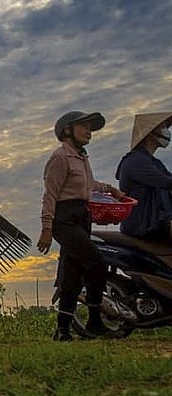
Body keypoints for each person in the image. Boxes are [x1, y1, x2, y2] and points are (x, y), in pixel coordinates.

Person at [37, 111, 126, 341]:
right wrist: (47, 228)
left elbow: (89, 185)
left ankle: (63, 330)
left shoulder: (82, 158)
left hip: (81, 217)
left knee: (72, 273)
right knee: (97, 263)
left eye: (90, 127)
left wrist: (111, 189)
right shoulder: (60, 157)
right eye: (83, 126)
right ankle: (95, 321)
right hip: (64, 219)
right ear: (67, 130)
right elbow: (50, 194)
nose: (89, 131)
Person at [115, 112, 172, 240]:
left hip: (160, 221)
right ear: (151, 133)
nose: (167, 131)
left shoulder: (155, 162)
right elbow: (165, 181)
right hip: (144, 224)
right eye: (162, 127)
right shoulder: (135, 160)